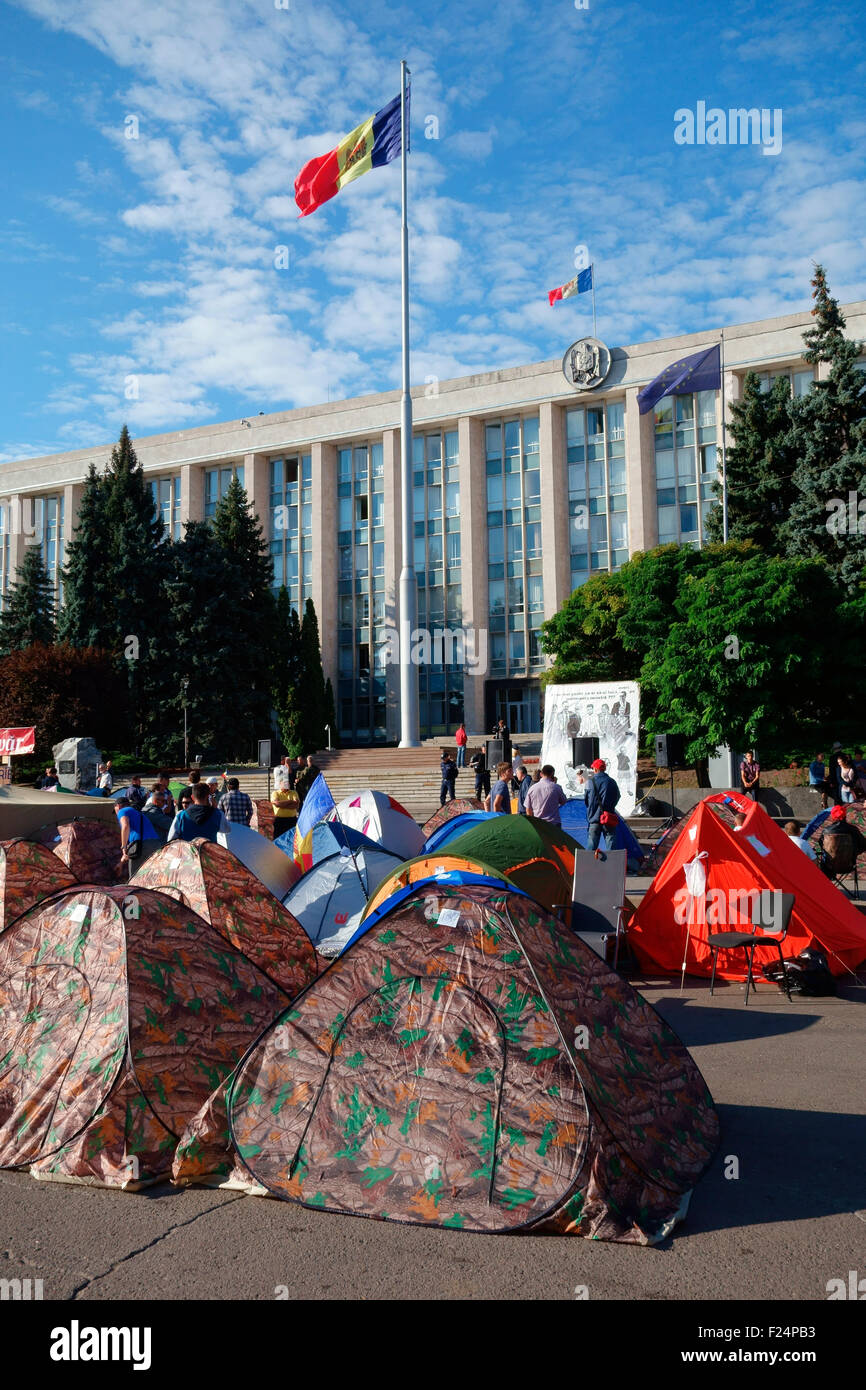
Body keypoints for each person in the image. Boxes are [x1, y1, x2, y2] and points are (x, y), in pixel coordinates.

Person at [116, 795, 161, 878]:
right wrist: (121, 862)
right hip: (156, 844)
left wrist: (123, 846)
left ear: (118, 806)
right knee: (151, 877)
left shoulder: (122, 811)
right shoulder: (138, 813)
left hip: (143, 845)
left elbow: (125, 826)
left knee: (135, 878)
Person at [584, 757, 621, 852]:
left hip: (594, 818)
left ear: (595, 769)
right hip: (608, 817)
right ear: (604, 769)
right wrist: (609, 807)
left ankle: (588, 866)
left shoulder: (589, 781)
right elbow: (617, 797)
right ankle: (610, 866)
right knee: (611, 846)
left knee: (591, 847)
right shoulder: (612, 782)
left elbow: (586, 800)